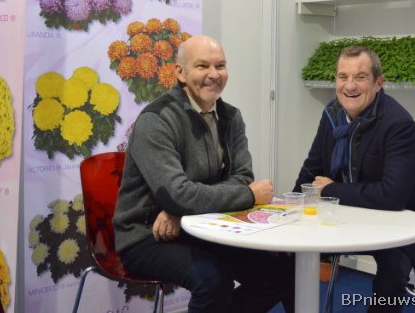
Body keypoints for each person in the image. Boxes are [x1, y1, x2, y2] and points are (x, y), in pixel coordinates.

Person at [113, 35, 294, 313]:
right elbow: (178, 194)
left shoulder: (231, 117)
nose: (214, 74)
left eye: (220, 66)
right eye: (202, 66)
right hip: (147, 235)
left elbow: (240, 177)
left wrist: (183, 211)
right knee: (213, 281)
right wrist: (248, 196)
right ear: (180, 73)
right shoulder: (156, 120)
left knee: (280, 271)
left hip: (201, 225)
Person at [294, 45, 415, 313]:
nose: (350, 86)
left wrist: (331, 189)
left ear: (378, 83)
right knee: (286, 257)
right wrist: (289, 208)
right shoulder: (331, 114)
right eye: (342, 77)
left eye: (360, 77)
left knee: (393, 271)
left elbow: (392, 196)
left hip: (396, 226)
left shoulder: (398, 124)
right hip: (342, 218)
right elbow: (311, 170)